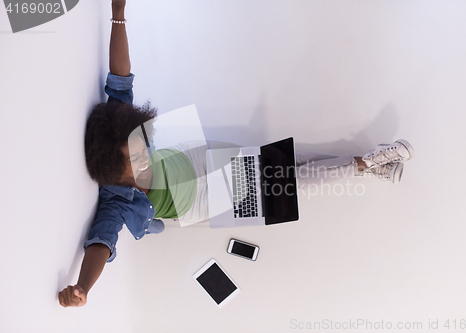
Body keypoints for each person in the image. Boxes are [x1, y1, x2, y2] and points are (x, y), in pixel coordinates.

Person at [58, 0, 415, 307]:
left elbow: (120, 79)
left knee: (292, 159)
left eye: (141, 146)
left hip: (206, 159)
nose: (144, 154)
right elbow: (101, 244)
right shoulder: (115, 204)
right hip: (208, 200)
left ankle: (369, 165)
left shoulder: (118, 127)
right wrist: (83, 288)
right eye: (134, 159)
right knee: (295, 184)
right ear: (111, 173)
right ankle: (367, 162)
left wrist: (118, 12)